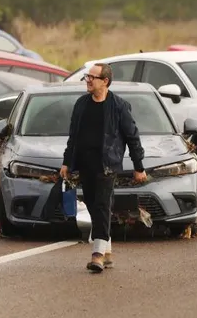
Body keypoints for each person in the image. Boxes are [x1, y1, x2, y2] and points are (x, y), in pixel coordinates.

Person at [59, 62, 147, 273]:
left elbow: (132, 137)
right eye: (87, 77)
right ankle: (107, 252)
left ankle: (97, 255)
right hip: (85, 165)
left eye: (92, 77)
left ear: (105, 81)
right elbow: (73, 136)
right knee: (91, 204)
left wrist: (139, 166)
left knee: (101, 205)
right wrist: (67, 162)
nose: (87, 81)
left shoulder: (118, 106)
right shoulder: (81, 104)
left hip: (107, 165)